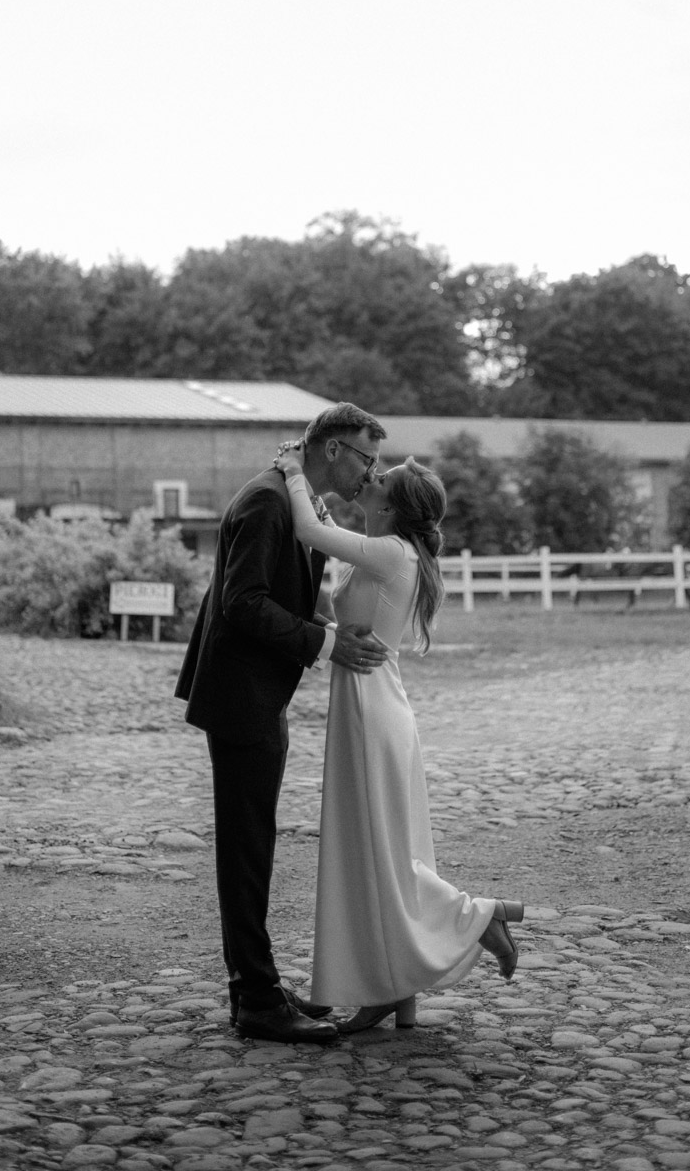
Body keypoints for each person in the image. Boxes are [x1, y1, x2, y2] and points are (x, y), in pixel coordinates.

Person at [275, 442, 526, 1032]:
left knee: (378, 854)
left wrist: (292, 471)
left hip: (371, 711)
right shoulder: (387, 551)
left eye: (382, 477)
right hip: (372, 704)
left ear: (390, 506)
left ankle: (479, 916)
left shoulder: (392, 552)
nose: (372, 474)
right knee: (380, 851)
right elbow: (329, 539)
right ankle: (396, 988)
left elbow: (309, 530)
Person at [175, 402, 391, 1044]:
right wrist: (326, 644)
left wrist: (327, 629)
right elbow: (243, 603)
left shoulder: (292, 499)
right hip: (241, 695)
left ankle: (257, 985)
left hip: (260, 693)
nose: (370, 473)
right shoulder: (267, 501)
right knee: (246, 850)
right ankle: (257, 1000)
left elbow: (280, 593)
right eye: (367, 458)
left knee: (255, 844)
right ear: (333, 449)